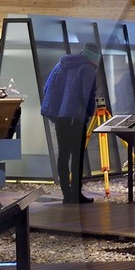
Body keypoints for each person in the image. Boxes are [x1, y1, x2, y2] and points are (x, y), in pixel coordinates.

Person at [40, 41, 102, 203]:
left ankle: (66, 193)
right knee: (77, 156)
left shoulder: (59, 66)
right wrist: (89, 112)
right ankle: (76, 193)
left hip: (60, 117)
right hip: (76, 117)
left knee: (64, 154)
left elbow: (48, 89)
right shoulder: (87, 68)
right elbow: (87, 94)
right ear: (94, 58)